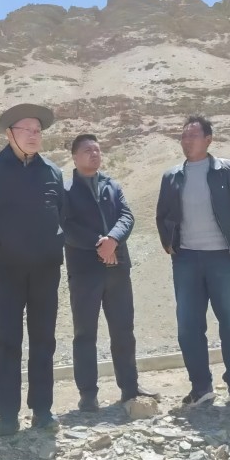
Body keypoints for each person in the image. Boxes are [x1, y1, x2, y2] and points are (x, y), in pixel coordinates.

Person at [0, 103, 64, 436]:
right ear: (10, 134)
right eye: (27, 130)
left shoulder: (52, 172)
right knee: (8, 340)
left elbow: (61, 214)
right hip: (6, 271)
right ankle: (7, 415)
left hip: (46, 270)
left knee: (44, 339)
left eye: (38, 131)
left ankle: (42, 410)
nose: (34, 136)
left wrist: (51, 246)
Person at [156, 116, 230, 407]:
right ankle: (200, 387)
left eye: (193, 136)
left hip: (223, 258)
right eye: (183, 136)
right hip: (186, 259)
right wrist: (168, 243)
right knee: (189, 326)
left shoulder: (228, 170)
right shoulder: (171, 176)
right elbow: (162, 214)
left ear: (208, 139)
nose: (186, 141)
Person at [63, 134, 158, 412]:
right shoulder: (65, 190)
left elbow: (126, 216)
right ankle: (88, 394)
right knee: (85, 334)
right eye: (87, 150)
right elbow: (65, 226)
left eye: (97, 149)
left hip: (117, 268)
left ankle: (130, 387)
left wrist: (113, 240)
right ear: (74, 157)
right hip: (84, 271)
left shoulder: (112, 185)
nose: (94, 154)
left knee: (123, 330)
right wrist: (100, 244)